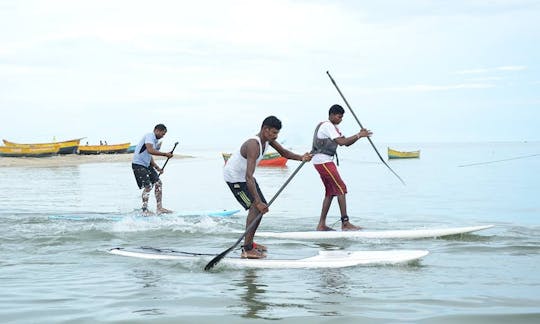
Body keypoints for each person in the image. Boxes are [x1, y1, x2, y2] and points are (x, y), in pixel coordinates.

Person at [224, 116, 312, 259]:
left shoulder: (268, 140)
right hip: (235, 178)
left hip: (246, 178)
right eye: (273, 133)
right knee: (255, 207)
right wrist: (257, 202)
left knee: (261, 209)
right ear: (265, 130)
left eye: (277, 133)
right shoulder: (253, 145)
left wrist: (301, 157)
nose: (275, 136)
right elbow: (248, 176)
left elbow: (284, 153)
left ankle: (250, 243)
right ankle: (246, 249)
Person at [312, 104, 372, 231]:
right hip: (323, 162)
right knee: (341, 188)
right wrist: (359, 135)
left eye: (342, 117)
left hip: (323, 162)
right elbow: (341, 142)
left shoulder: (334, 128)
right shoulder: (327, 125)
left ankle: (321, 225)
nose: (341, 119)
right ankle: (345, 223)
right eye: (339, 116)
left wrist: (360, 135)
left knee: (330, 193)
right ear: (332, 115)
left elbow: (346, 143)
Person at [132, 124, 174, 215]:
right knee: (148, 186)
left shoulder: (154, 140)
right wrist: (165, 154)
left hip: (146, 165)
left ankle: (159, 208)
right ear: (157, 130)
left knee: (158, 183)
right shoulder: (149, 136)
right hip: (138, 165)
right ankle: (144, 210)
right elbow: (150, 150)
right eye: (162, 134)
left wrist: (157, 167)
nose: (163, 136)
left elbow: (149, 155)